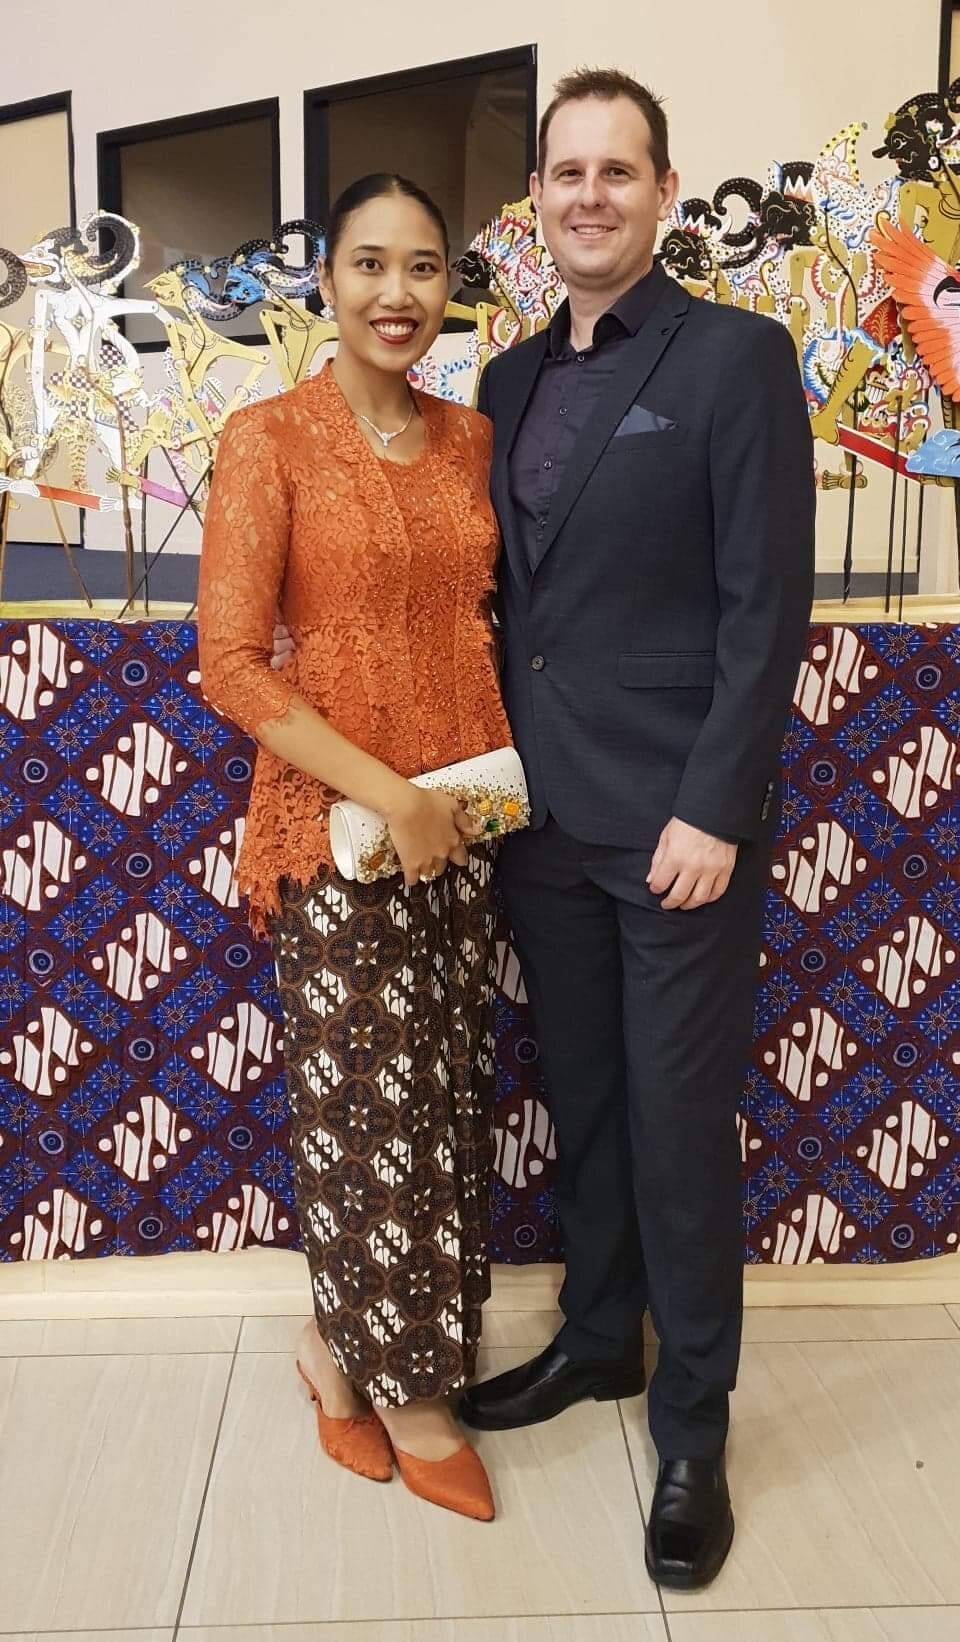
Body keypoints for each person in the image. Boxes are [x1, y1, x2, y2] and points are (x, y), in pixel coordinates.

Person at [456, 67, 815, 1589]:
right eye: (565, 170)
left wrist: (716, 805)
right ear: (536, 197)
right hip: (544, 821)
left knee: (679, 1140)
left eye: (619, 169)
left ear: (665, 192)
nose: (589, 193)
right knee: (587, 1109)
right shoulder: (509, 380)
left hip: (678, 826)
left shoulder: (738, 358)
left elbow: (764, 608)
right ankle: (599, 1345)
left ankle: (692, 1427)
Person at [198, 172, 515, 1522]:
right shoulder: (266, 438)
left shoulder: (472, 438)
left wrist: (455, 797)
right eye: (370, 264)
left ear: (450, 288)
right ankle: (410, 1393)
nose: (399, 293)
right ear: (323, 280)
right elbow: (227, 664)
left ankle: (338, 1351)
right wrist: (391, 793)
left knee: (437, 1107)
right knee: (362, 1114)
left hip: (471, 825)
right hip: (338, 830)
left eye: (426, 267)